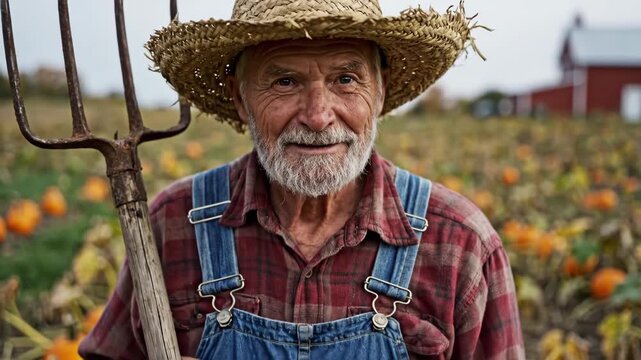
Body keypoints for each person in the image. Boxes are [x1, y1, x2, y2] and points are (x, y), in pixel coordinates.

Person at [80, 0, 524, 358]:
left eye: (346, 79)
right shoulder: (173, 224)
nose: (317, 116)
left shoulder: (460, 243)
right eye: (286, 81)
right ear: (240, 97)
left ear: (381, 90)